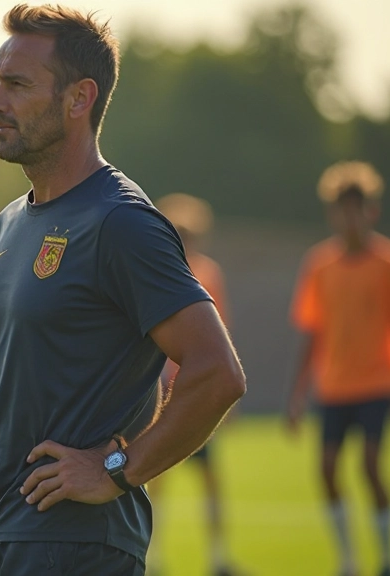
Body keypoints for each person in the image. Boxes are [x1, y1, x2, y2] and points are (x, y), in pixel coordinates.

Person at [0, 5, 246, 575]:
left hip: (75, 547)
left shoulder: (121, 221)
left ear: (79, 98)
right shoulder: (13, 221)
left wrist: (116, 468)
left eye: (17, 85)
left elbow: (217, 372)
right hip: (1, 536)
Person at [287, 161, 390, 576]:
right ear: (332, 214)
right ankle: (347, 559)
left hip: (378, 381)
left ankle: (387, 558)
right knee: (326, 470)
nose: (349, 217)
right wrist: (298, 394)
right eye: (341, 209)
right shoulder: (319, 265)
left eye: (356, 208)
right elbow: (312, 333)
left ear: (371, 211)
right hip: (334, 386)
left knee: (369, 465)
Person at [148, 193, 236, 576]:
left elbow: (221, 337)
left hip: (195, 388)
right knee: (152, 473)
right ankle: (151, 557)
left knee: (210, 477)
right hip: (163, 387)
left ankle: (218, 557)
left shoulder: (209, 273)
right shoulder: (157, 270)